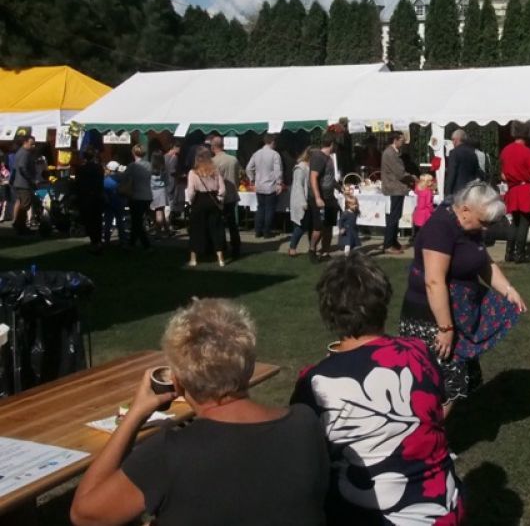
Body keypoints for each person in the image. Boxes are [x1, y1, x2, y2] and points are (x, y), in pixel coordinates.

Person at [71, 298, 328, 526]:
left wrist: (135, 414)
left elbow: (85, 515)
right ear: (249, 368)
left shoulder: (169, 453)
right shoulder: (305, 423)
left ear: (178, 381)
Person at [292, 253, 463, 523]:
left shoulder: (315, 382)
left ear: (329, 312)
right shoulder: (419, 352)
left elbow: (304, 458)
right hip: (443, 508)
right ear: (382, 302)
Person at [400, 181, 526, 408]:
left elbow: (483, 261)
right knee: (443, 384)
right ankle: (427, 429)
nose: (486, 229)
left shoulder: (470, 227)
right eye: (484, 222)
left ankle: (434, 427)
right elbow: (434, 281)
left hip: (458, 312)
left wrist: (508, 290)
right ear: (465, 209)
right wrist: (446, 328)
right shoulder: (440, 228)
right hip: (431, 316)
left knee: (456, 382)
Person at [499, 121, 530, 263]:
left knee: (515, 222)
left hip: (513, 189)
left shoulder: (505, 150)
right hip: (525, 189)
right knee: (525, 222)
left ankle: (509, 253)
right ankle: (519, 254)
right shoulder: (528, 152)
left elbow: (503, 173)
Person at [186, 148, 226, 267]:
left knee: (196, 230)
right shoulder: (215, 171)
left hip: (199, 201)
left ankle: (193, 258)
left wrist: (191, 201)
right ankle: (220, 258)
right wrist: (219, 199)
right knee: (216, 230)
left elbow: (190, 191)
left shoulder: (193, 172)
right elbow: (222, 189)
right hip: (212, 201)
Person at [308, 133, 340, 263]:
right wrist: (317, 197)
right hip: (320, 198)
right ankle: (312, 249)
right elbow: (313, 177)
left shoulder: (329, 158)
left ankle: (325, 251)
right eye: (335, 144)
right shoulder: (318, 157)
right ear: (332, 144)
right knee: (319, 227)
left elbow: (330, 178)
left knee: (329, 226)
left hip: (329, 197)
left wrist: (340, 187)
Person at [246, 134, 283, 238]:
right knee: (269, 209)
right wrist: (279, 183)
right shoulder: (275, 154)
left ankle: (258, 231)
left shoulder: (256, 153)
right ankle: (267, 232)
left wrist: (252, 179)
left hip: (259, 186)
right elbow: (278, 170)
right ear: (273, 142)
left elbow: (248, 168)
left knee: (260, 208)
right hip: (270, 186)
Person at [211, 137, 242, 258]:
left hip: (220, 196)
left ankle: (222, 246)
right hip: (232, 194)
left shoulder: (213, 161)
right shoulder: (233, 159)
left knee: (219, 223)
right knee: (232, 222)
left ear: (213, 147)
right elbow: (238, 176)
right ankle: (236, 246)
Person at [380, 131, 409, 255]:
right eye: (401, 140)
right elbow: (400, 173)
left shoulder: (393, 152)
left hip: (396, 187)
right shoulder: (390, 153)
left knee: (396, 215)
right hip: (394, 187)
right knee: (394, 216)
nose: (403, 142)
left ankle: (393, 242)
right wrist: (412, 177)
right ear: (395, 140)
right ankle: (388, 244)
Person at [121, 145, 153, 251]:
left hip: (136, 196)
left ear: (133, 153)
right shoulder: (149, 165)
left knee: (137, 222)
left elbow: (124, 178)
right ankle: (132, 243)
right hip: (147, 195)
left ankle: (146, 245)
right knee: (137, 221)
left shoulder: (132, 166)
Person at [75, 148, 105, 253]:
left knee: (89, 221)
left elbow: (77, 184)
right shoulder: (99, 168)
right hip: (97, 196)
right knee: (97, 220)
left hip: (86, 197)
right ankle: (98, 241)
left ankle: (94, 241)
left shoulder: (81, 169)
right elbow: (100, 182)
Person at [288, 147, 312, 257]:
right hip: (301, 200)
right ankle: (292, 247)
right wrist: (303, 202)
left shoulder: (310, 167)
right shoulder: (300, 168)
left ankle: (312, 248)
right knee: (301, 225)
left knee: (311, 225)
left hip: (310, 199)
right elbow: (298, 186)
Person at [444, 129, 483, 196]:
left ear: (456, 140)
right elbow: (477, 171)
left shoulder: (454, 153)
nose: (452, 142)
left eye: (453, 139)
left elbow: (452, 173)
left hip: (458, 191)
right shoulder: (472, 152)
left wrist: (447, 192)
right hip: (470, 189)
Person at [12, 135, 37, 234]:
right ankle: (21, 227)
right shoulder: (24, 153)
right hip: (24, 184)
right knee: (25, 205)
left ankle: (18, 224)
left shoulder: (20, 152)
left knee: (22, 204)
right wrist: (31, 179)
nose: (33, 146)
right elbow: (22, 167)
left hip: (19, 182)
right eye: (31, 144)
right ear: (25, 142)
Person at [102, 161, 128, 245]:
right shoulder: (122, 179)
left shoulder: (106, 181)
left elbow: (104, 193)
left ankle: (106, 240)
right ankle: (122, 239)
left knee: (108, 222)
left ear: (109, 170)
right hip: (120, 203)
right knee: (120, 222)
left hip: (109, 204)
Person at [149, 150, 170, 238]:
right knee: (160, 211)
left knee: (159, 212)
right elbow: (167, 182)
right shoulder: (163, 169)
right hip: (162, 191)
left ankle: (160, 232)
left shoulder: (149, 169)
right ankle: (163, 231)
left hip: (152, 191)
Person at [164, 140, 183, 227]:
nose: (180, 150)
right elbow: (173, 171)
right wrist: (180, 174)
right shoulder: (175, 157)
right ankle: (169, 223)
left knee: (166, 203)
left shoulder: (164, 156)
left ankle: (165, 223)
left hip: (165, 182)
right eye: (179, 148)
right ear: (174, 148)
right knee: (171, 204)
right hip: (172, 182)